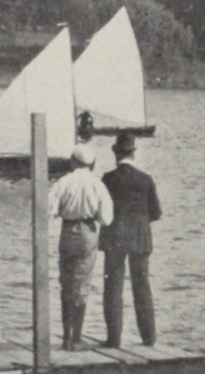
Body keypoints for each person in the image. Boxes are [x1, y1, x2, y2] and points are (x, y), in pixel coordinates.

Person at [47, 142, 113, 351]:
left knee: (66, 282)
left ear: (73, 161)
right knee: (82, 283)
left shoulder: (62, 182)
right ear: (91, 163)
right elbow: (107, 219)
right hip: (87, 231)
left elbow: (49, 210)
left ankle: (66, 336)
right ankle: (76, 337)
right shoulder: (97, 185)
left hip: (67, 231)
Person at [99, 132, 161, 348]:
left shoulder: (108, 179)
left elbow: (102, 211)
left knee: (113, 287)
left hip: (115, 238)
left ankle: (113, 339)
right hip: (140, 239)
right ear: (133, 154)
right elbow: (156, 213)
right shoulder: (146, 180)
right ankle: (149, 338)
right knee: (142, 286)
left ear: (116, 154)